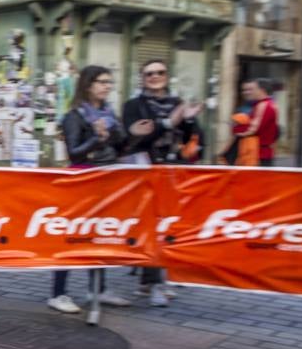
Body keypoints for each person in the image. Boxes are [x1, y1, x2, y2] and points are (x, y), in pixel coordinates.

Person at [47, 65, 153, 315]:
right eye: (102, 82)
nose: (107, 86)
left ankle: (98, 289)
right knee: (72, 238)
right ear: (88, 85)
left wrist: (134, 135)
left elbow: (121, 149)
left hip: (107, 183)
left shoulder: (108, 113)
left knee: (101, 236)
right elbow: (74, 152)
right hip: (82, 184)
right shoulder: (75, 115)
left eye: (109, 82)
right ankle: (57, 293)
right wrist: (97, 138)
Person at [122, 60, 203, 307]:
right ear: (142, 78)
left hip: (173, 169)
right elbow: (133, 136)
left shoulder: (177, 103)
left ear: (167, 76)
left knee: (165, 226)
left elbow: (193, 136)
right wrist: (167, 124)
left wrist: (187, 120)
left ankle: (150, 281)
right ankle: (155, 283)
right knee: (149, 226)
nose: (155, 77)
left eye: (160, 72)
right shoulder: (133, 105)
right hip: (144, 171)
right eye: (149, 74)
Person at [233, 78, 280, 167]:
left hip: (258, 154)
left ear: (261, 90)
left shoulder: (264, 105)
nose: (251, 92)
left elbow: (253, 129)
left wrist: (236, 129)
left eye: (253, 89)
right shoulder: (265, 104)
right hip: (259, 153)